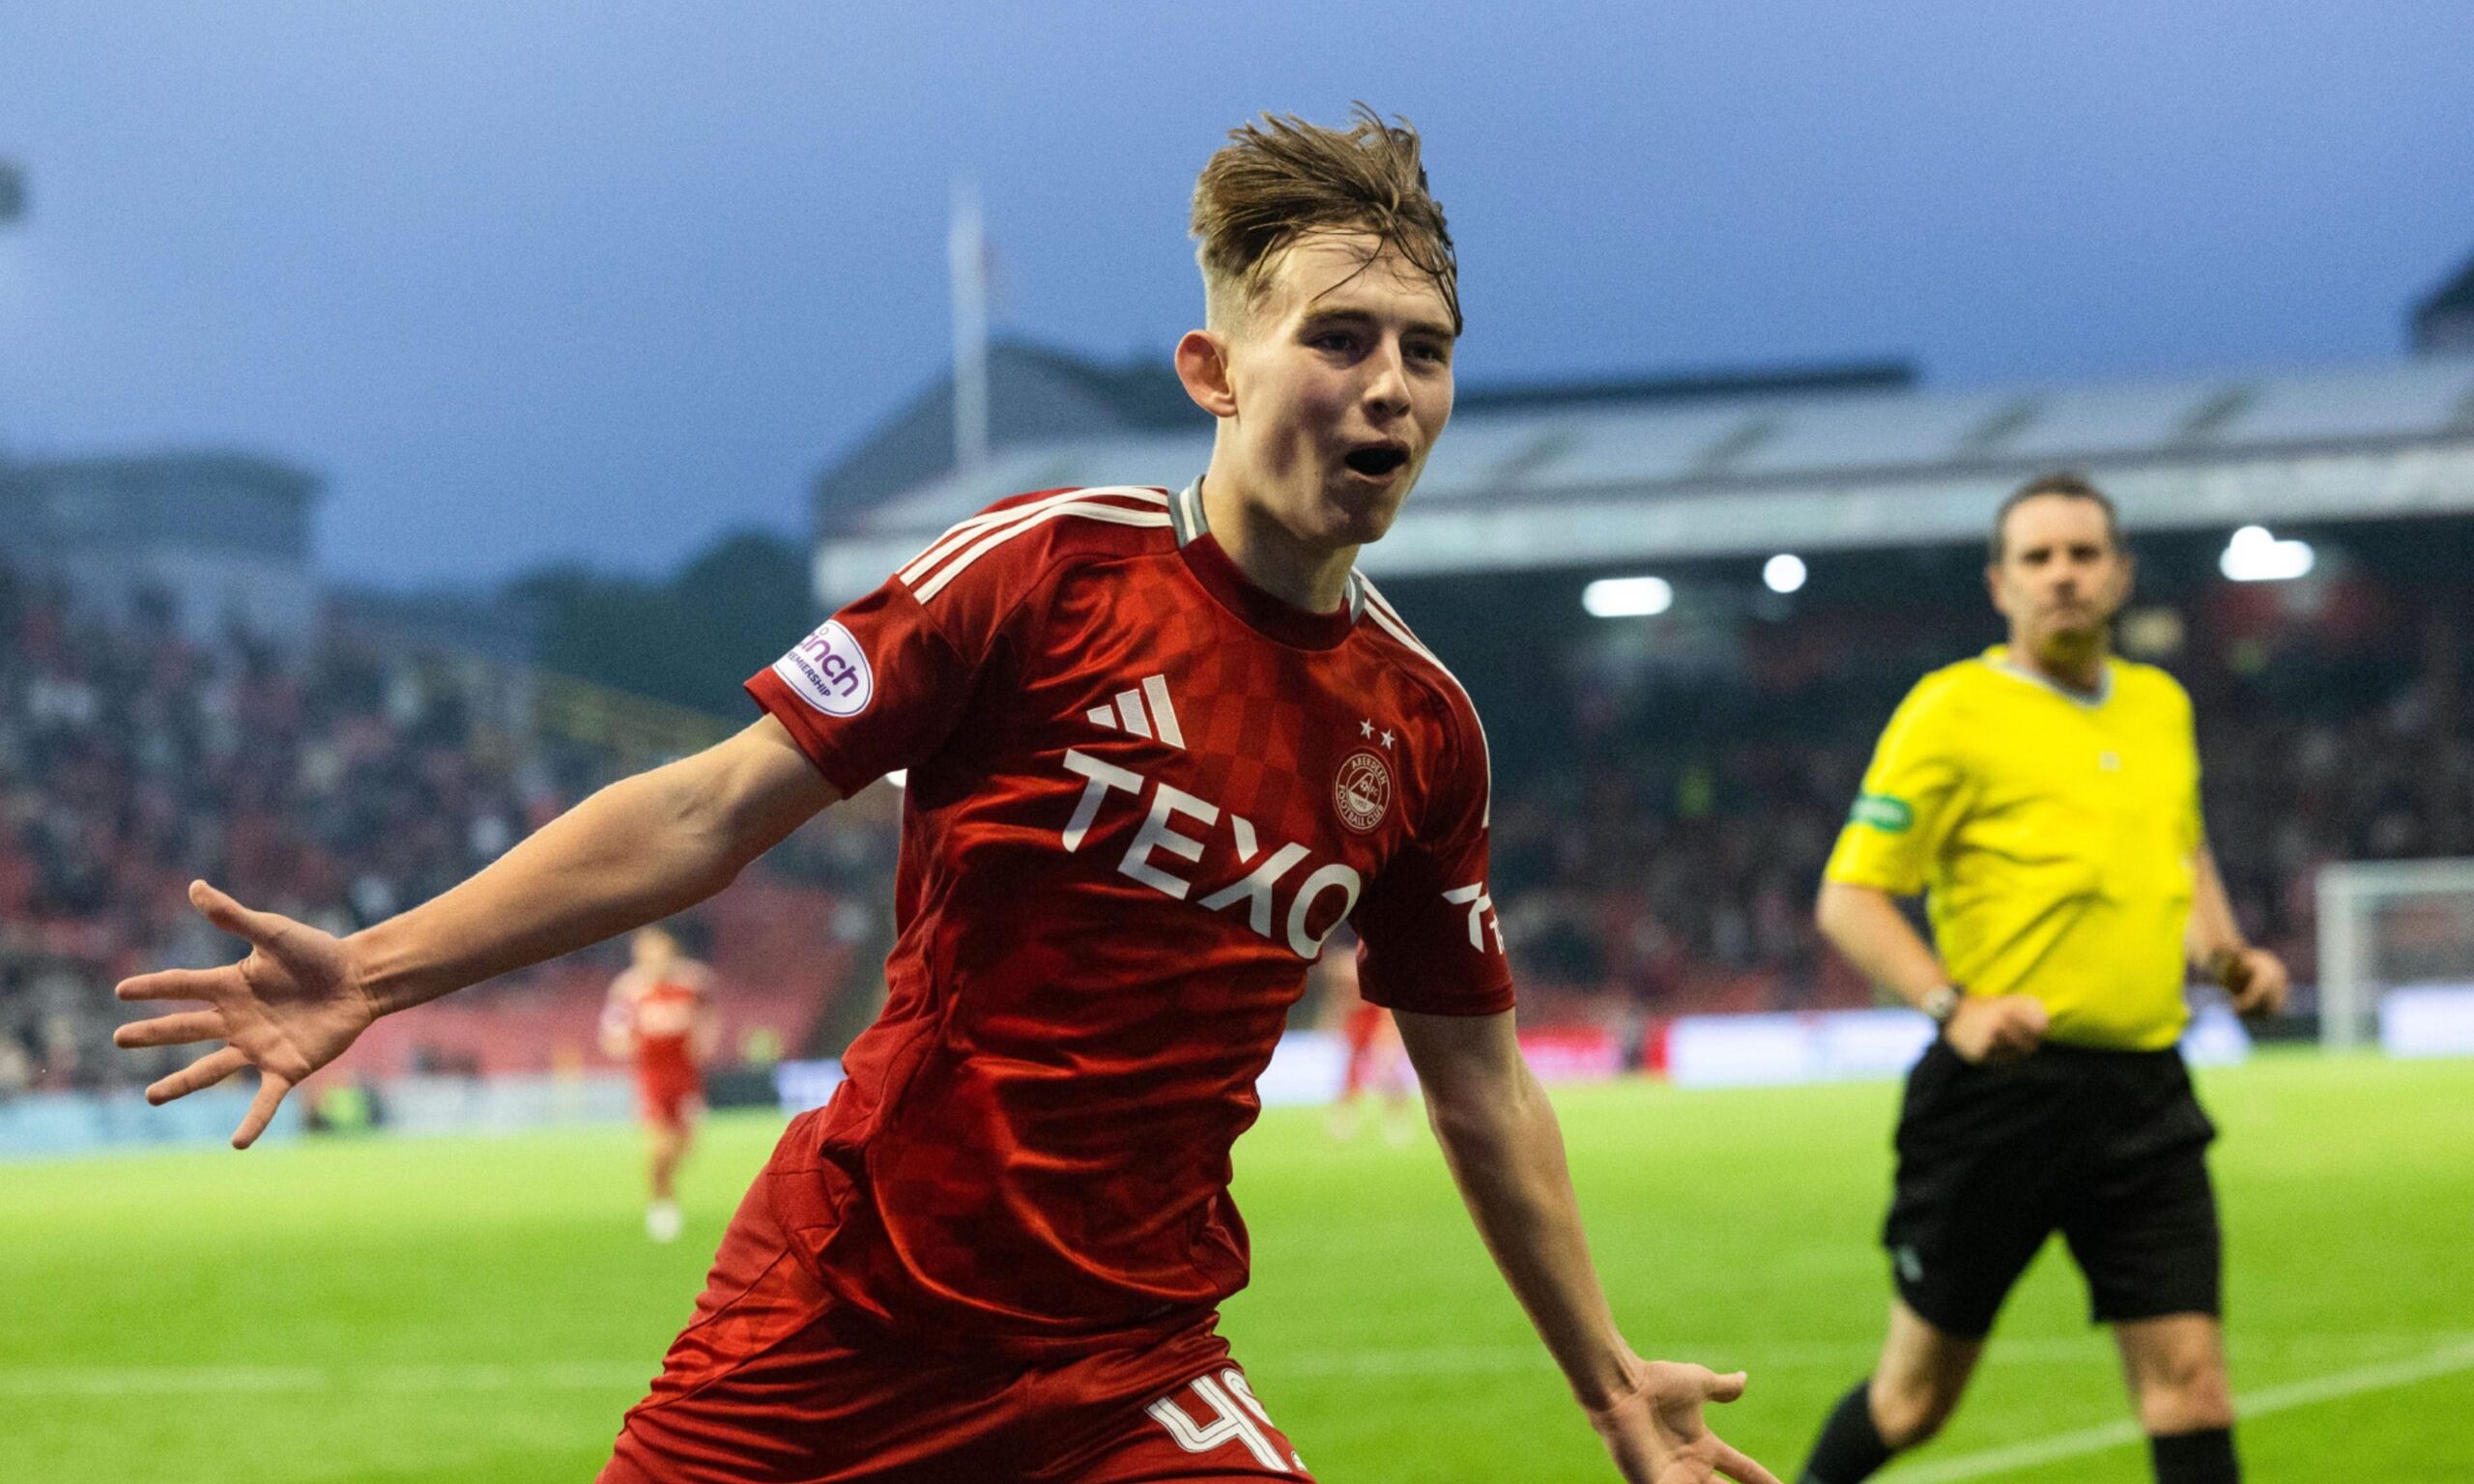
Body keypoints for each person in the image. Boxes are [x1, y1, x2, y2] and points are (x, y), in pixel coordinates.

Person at [115, 107, 1778, 1484]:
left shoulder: (1425, 729)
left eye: (1426, 351)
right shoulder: (1045, 574)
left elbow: (1480, 1085)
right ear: (1215, 367)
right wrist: (378, 969)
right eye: (1337, 338)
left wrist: (1608, 1381)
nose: (1390, 384)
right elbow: (711, 811)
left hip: (1134, 1362)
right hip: (847, 1311)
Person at [1794, 473, 2288, 1484]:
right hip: (1998, 1101)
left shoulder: (2160, 704)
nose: (2062, 575)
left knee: (2190, 1382)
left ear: (2120, 575)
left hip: (2146, 1097)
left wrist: (2227, 954)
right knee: (1914, 1401)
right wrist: (1953, 1007)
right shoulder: (1951, 710)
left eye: (2082, 555)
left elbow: (2180, 848)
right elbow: (1849, 897)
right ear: (1999, 584)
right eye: (2038, 558)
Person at [601, 924, 719, 1242]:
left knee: (686, 1146)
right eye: (645, 951)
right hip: (652, 1077)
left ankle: (664, 1191)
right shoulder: (627, 989)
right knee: (661, 1145)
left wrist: (705, 1040)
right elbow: (611, 1034)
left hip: (686, 1076)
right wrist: (627, 1043)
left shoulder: (694, 982)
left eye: (659, 950)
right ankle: (662, 1205)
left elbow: (709, 1017)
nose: (654, 958)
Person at [1320, 941, 1411, 1143]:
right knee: (1351, 1071)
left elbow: (1385, 1005)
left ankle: (1397, 1119)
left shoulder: (1366, 970)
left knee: (1389, 1073)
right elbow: (1341, 1004)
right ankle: (1345, 1118)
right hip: (1359, 1022)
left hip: (1376, 1020)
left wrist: (1387, 1032)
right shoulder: (1348, 981)